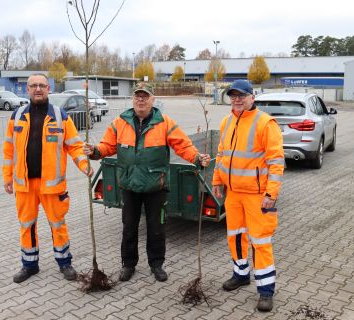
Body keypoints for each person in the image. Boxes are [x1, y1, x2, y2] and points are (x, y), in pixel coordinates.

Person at [83, 83, 210, 282]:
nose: (141, 100)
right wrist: (95, 151)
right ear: (133, 99)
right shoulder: (120, 122)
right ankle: (128, 264)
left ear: (153, 99)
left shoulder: (164, 122)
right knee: (129, 228)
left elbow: (182, 145)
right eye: (137, 96)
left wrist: (196, 158)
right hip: (129, 185)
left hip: (155, 186)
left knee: (157, 228)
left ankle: (156, 264)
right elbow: (107, 146)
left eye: (145, 96)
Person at [2, 73, 93, 283]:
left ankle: (65, 263)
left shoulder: (60, 117)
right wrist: (7, 176)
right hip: (24, 185)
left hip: (52, 186)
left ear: (48, 88)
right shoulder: (16, 116)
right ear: (28, 89)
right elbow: (9, 149)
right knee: (26, 225)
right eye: (33, 85)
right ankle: (29, 265)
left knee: (57, 224)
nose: (38, 89)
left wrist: (84, 164)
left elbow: (75, 146)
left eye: (42, 85)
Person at [212, 80, 284, 312]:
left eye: (241, 95)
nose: (237, 99)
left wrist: (271, 193)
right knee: (235, 237)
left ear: (253, 97)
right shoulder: (227, 121)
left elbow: (276, 162)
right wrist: (216, 180)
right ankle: (241, 274)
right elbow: (221, 154)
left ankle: (265, 290)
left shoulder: (266, 123)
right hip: (233, 194)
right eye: (233, 96)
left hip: (256, 195)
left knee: (260, 241)